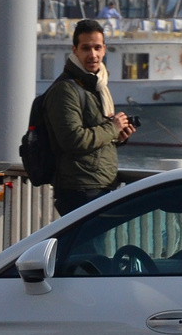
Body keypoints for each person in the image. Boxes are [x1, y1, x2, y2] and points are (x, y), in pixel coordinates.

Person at [47, 18, 135, 216]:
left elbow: (95, 137)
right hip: (80, 190)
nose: (92, 55)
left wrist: (118, 136)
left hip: (99, 187)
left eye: (97, 48)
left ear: (104, 49)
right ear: (75, 50)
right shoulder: (66, 89)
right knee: (90, 248)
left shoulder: (97, 86)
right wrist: (112, 128)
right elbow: (73, 139)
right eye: (86, 48)